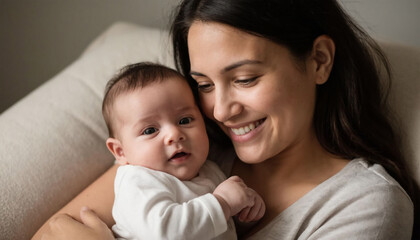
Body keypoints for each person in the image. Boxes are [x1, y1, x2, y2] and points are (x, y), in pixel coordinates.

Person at [35, 0, 418, 239]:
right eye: (203, 85)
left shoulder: (366, 204)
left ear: (319, 60)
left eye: (245, 79)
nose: (219, 111)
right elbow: (53, 233)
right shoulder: (188, 149)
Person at [102, 62, 265, 239]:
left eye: (185, 120)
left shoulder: (209, 170)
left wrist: (243, 210)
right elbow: (165, 233)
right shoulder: (138, 182)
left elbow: (216, 226)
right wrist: (223, 203)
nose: (174, 134)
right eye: (150, 130)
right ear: (120, 152)